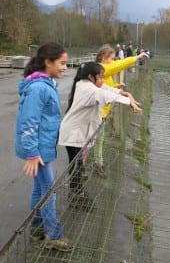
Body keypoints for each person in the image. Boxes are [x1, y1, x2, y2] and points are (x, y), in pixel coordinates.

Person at [15, 42, 73, 252]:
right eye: (62, 63)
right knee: (49, 191)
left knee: (41, 188)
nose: (65, 67)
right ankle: (54, 235)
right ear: (48, 62)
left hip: (43, 148)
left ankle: (37, 227)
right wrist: (32, 153)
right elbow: (28, 122)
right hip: (38, 151)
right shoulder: (40, 88)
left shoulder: (45, 84)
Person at [58, 62, 142, 193]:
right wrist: (128, 101)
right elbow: (106, 95)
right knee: (76, 164)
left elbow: (107, 89)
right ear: (91, 77)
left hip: (76, 131)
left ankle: (77, 190)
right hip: (74, 133)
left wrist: (125, 94)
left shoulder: (85, 84)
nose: (103, 80)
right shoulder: (89, 89)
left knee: (77, 163)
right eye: (101, 77)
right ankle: (76, 192)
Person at [94, 44, 148, 175]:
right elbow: (119, 65)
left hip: (103, 111)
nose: (113, 61)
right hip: (98, 112)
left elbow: (106, 86)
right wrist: (136, 58)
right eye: (111, 59)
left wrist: (117, 85)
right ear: (102, 57)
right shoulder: (103, 68)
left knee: (98, 139)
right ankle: (97, 164)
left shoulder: (103, 72)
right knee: (96, 140)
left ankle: (97, 163)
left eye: (113, 58)